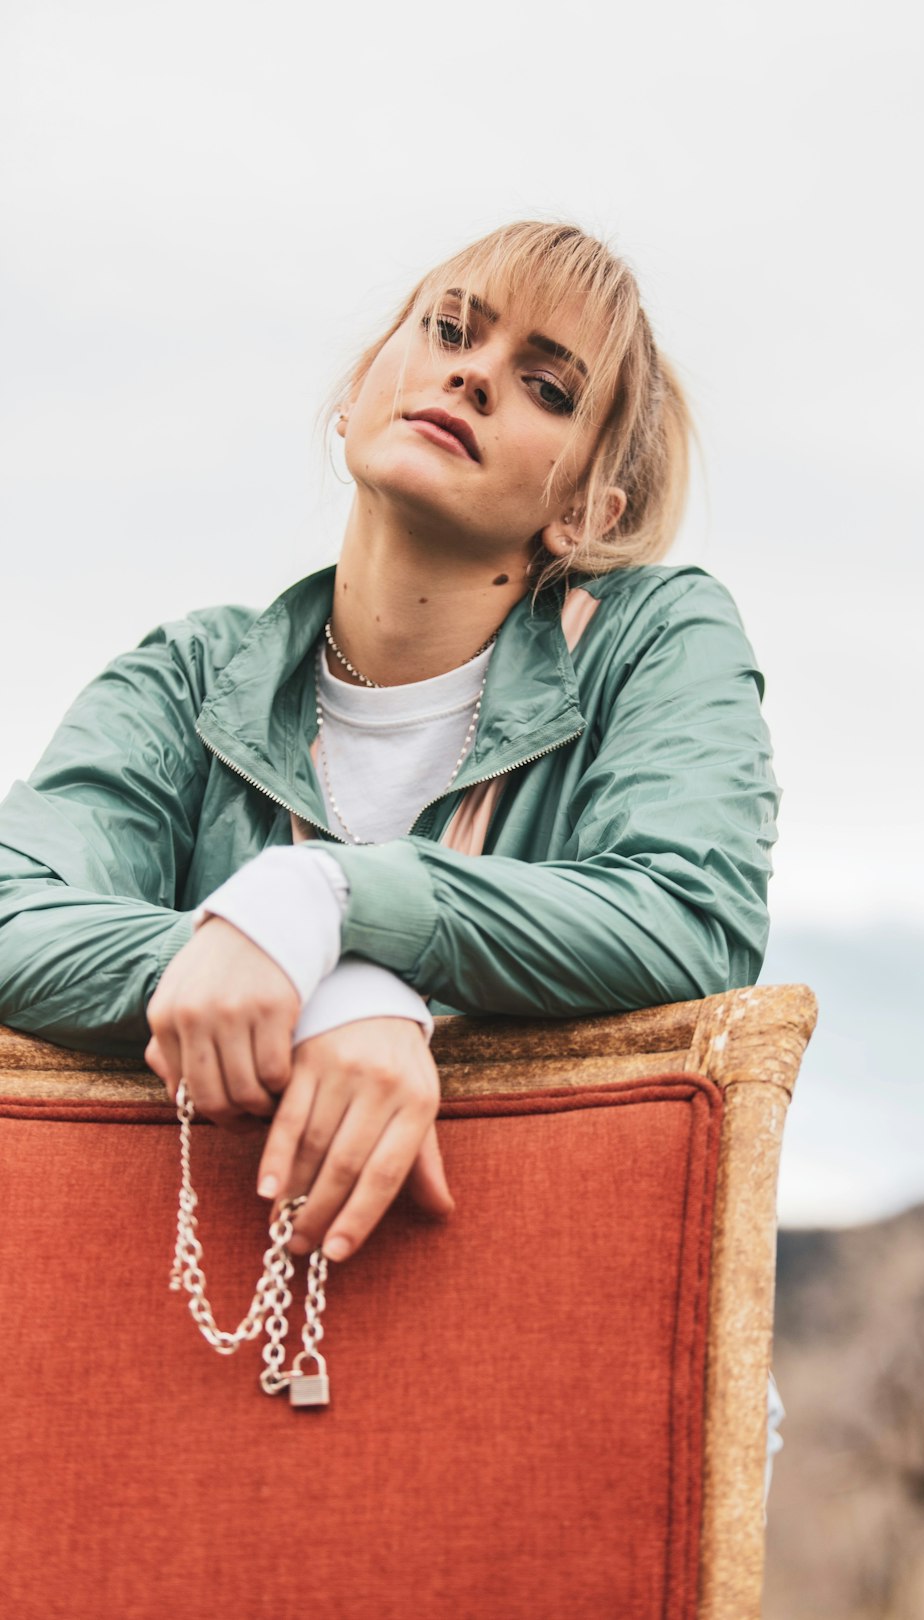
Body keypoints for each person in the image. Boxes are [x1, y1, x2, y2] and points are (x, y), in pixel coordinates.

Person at [0, 219, 783, 1483]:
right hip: (173, 1376)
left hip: (550, 1375)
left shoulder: (655, 637)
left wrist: (331, 898)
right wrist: (326, 984)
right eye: (450, 329)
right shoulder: (192, 672)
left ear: (592, 505)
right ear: (368, 377)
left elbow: (687, 916)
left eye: (546, 384)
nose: (470, 374)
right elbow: (9, 909)